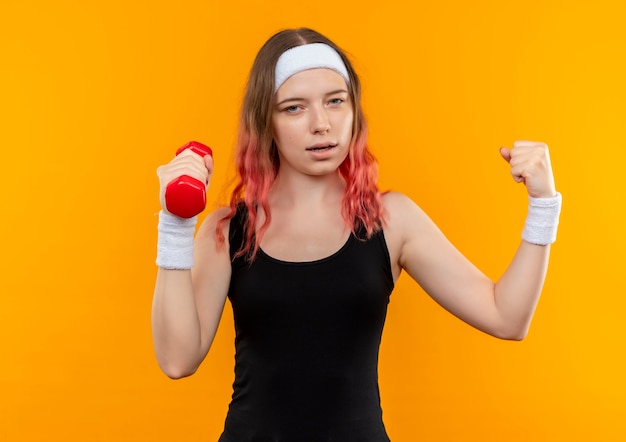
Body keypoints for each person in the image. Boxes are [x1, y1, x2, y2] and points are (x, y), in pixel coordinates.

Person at [152, 27, 562, 441]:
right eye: (294, 108)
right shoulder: (228, 230)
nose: (322, 124)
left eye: (336, 101)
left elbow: (505, 317)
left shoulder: (391, 219)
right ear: (266, 122)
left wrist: (543, 205)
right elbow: (177, 360)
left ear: (354, 111)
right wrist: (174, 226)